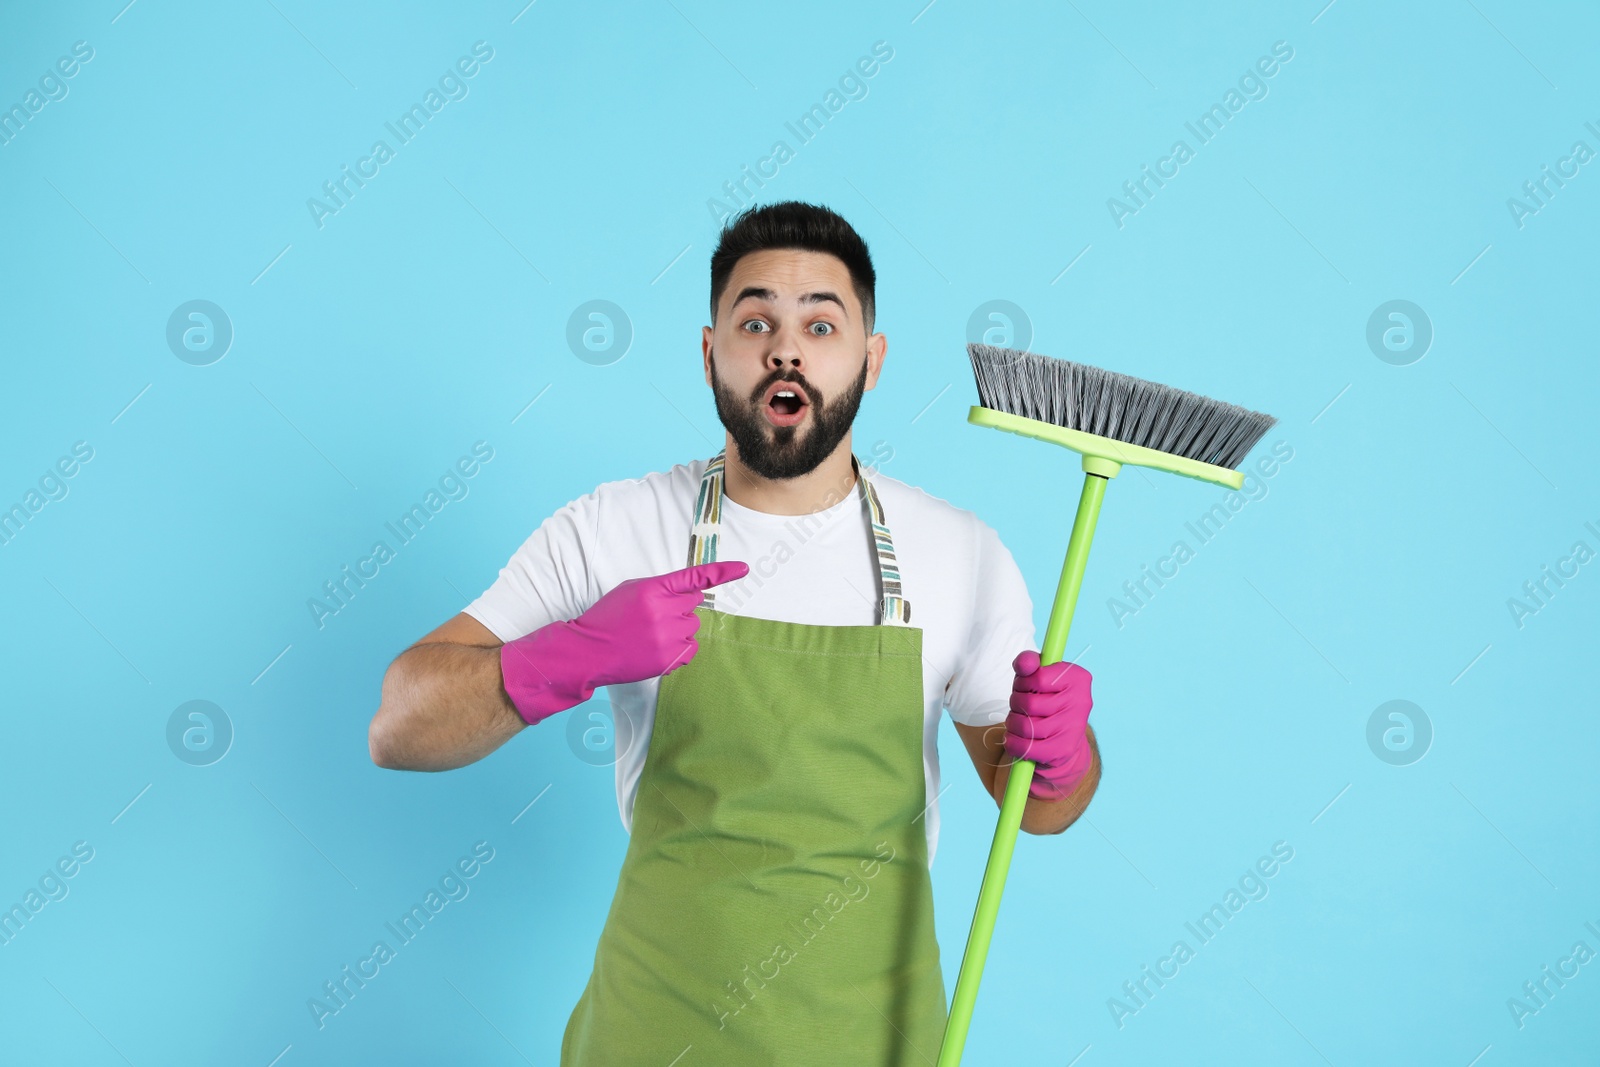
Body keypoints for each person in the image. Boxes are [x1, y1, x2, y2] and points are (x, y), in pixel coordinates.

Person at [367, 200, 1101, 1065]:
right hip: (651, 1034)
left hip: (875, 1043)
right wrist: (571, 655)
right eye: (756, 320)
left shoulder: (959, 551)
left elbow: (1044, 810)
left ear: (871, 362)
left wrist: (1063, 754)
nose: (786, 348)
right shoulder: (614, 527)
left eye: (821, 324)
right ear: (711, 352)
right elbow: (399, 726)